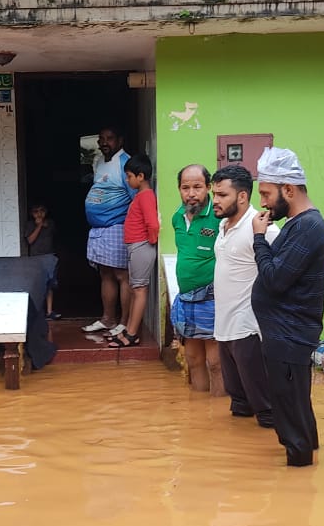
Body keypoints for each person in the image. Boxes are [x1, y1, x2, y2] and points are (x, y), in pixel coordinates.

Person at [251, 147, 324, 468]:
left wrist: (258, 239)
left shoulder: (309, 227)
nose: (264, 202)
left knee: (288, 408)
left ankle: (299, 473)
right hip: (285, 334)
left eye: (267, 194)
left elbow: (275, 279)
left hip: (289, 334)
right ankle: (306, 448)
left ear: (289, 190)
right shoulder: (297, 225)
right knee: (296, 404)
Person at [212, 164, 279, 428]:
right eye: (214, 194)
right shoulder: (223, 226)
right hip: (224, 328)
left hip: (249, 329)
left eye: (222, 195)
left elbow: (282, 274)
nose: (215, 200)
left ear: (242, 196)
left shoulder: (264, 229)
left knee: (266, 411)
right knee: (240, 407)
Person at [169, 164, 224, 394]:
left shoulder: (219, 216)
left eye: (197, 187)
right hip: (186, 297)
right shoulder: (177, 218)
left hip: (212, 296)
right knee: (192, 359)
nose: (191, 193)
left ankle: (221, 410)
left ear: (209, 187)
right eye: (185, 187)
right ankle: (201, 411)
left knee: (216, 361)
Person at [82, 127, 134, 337]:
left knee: (122, 275)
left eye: (109, 139)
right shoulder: (99, 162)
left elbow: (134, 196)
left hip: (117, 226)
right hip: (99, 229)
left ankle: (123, 322)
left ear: (120, 140)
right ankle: (108, 319)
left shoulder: (126, 163)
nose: (104, 143)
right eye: (101, 139)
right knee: (105, 273)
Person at [108, 155, 158, 348]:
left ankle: (131, 334)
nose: (127, 180)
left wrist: (149, 242)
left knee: (138, 290)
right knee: (135, 288)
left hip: (141, 247)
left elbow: (152, 223)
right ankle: (129, 330)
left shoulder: (146, 196)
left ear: (141, 176)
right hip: (137, 247)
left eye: (129, 176)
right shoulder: (141, 195)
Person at [25, 202, 59, 319]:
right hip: (35, 258)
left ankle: (50, 311)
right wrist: (38, 226)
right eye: (36, 211)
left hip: (49, 257)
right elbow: (30, 240)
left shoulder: (50, 224)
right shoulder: (30, 225)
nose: (39, 214)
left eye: (42, 211)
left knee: (50, 285)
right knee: (36, 284)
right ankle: (37, 311)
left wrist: (43, 224)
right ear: (31, 213)